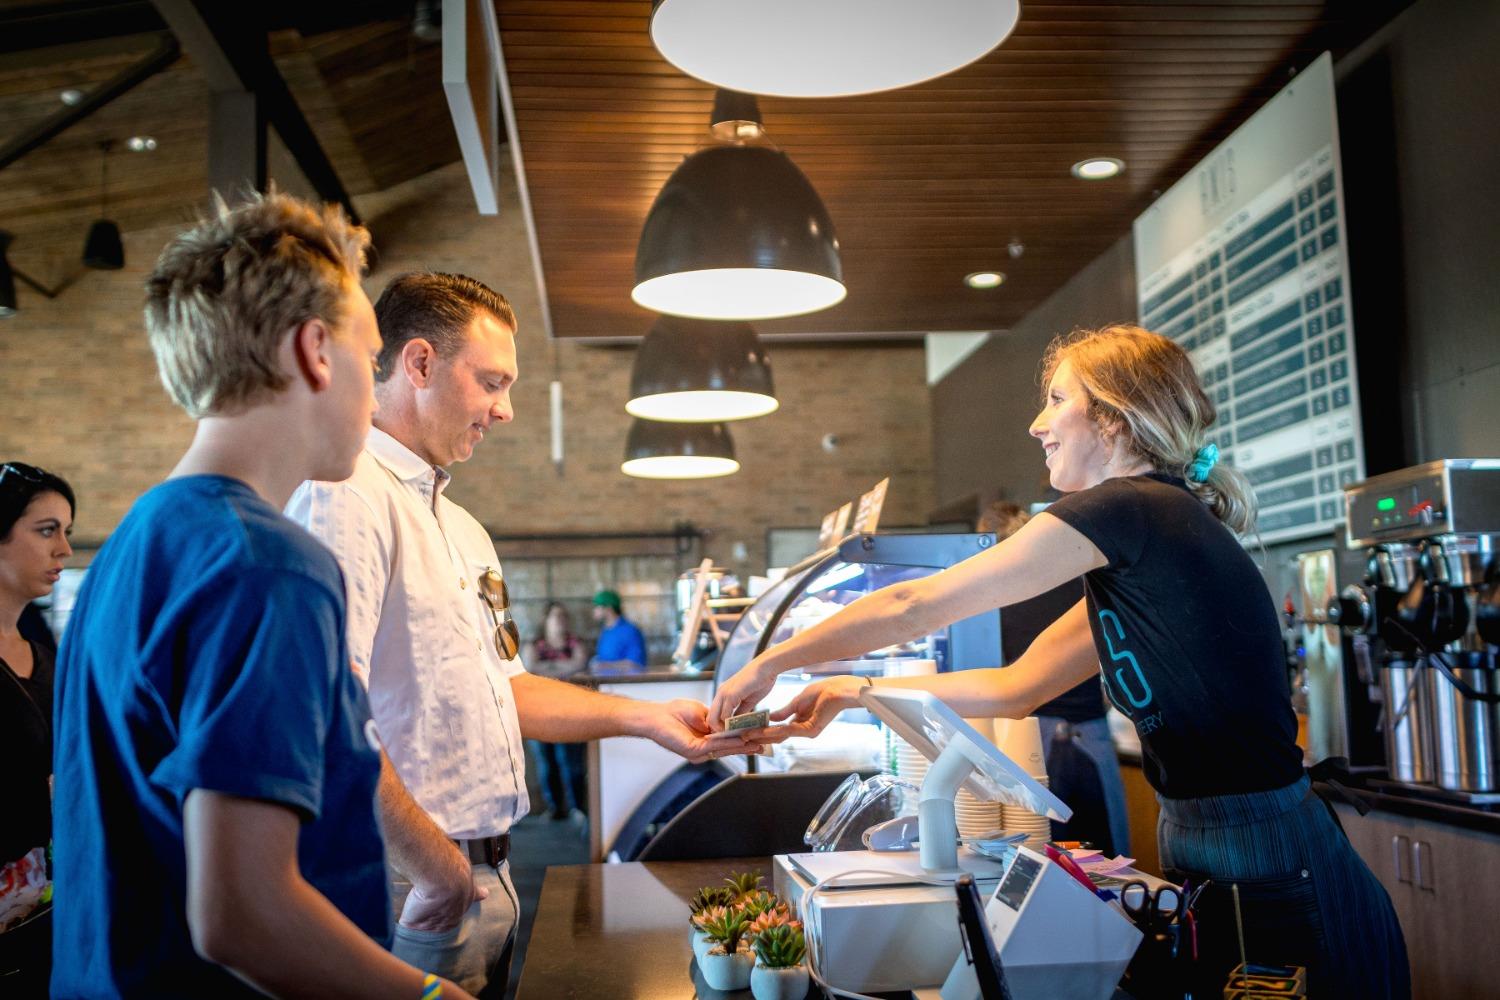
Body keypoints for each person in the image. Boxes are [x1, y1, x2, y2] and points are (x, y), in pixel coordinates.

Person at [712, 325, 1409, 998]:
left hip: (1274, 856)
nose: (1035, 425)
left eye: (1054, 400)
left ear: (1112, 419)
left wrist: (773, 660)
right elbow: (1019, 687)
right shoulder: (1144, 537)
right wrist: (854, 689)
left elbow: (913, 606)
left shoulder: (1129, 507)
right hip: (1215, 848)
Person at [286, 271, 760, 997]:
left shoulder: (462, 525)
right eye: (491, 382)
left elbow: (508, 688)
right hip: (406, 878)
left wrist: (648, 720)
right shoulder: (345, 494)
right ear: (418, 364)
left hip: (488, 873)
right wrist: (436, 871)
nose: (505, 411)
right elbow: (324, 707)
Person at [50, 193, 474, 999]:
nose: (376, 384)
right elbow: (241, 913)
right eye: (370, 355)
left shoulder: (129, 546)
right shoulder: (268, 565)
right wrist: (425, 996)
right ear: (316, 350)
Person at [978, 500, 1128, 856]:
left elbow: (998, 677)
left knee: (1037, 860)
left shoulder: (996, 591)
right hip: (1090, 738)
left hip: (1028, 741)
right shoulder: (1078, 581)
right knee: (1107, 867)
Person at [0, 462, 74, 995]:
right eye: (47, 530)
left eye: (67, 533)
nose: (64, 551)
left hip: (46, 922)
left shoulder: (47, 658)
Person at [523, 602, 588, 820]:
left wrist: (547, 669)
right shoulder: (534, 645)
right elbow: (528, 669)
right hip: (538, 712)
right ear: (546, 620)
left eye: (563, 616)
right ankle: (555, 807)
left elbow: (580, 665)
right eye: (555, 616)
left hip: (570, 711)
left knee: (571, 762)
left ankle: (576, 807)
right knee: (546, 763)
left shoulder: (574, 643)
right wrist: (563, 667)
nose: (560, 620)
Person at [590, 588, 647, 673]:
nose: (594, 611)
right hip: (605, 684)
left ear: (608, 608)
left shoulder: (630, 631)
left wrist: (604, 665)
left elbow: (635, 664)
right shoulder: (606, 631)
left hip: (624, 684)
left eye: (597, 607)